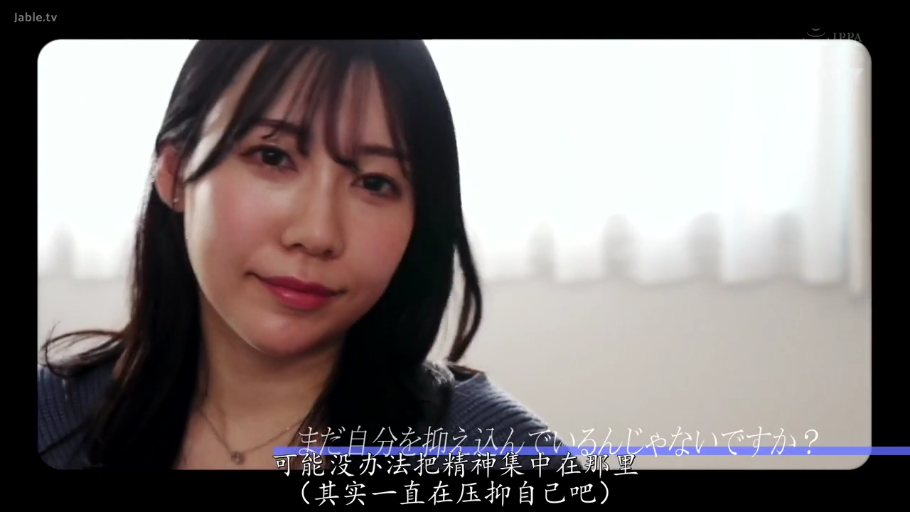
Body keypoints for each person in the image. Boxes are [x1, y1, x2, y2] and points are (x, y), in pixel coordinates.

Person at [38, 40, 563, 470]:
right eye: (273, 156)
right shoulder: (49, 420)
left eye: (375, 183)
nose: (317, 233)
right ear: (175, 174)